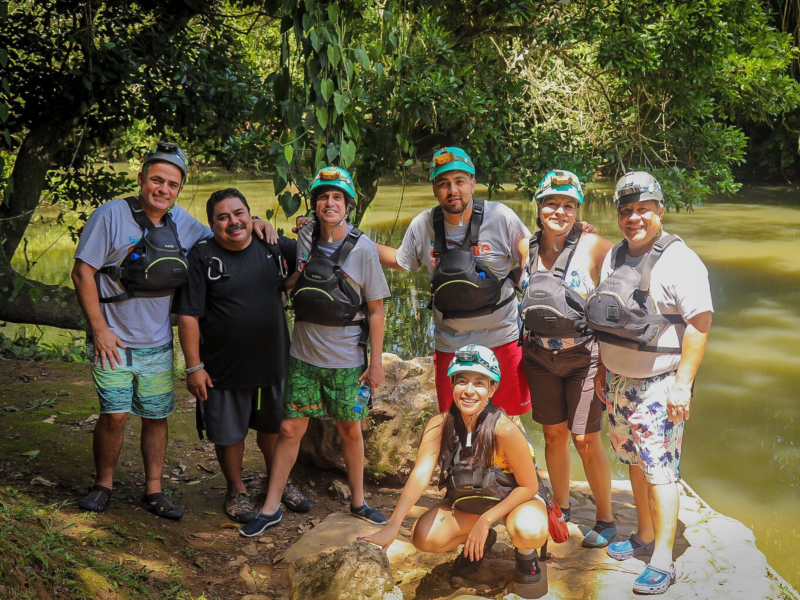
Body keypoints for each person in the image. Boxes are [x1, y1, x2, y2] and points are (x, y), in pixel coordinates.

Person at [71, 141, 276, 518]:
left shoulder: (184, 223)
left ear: (180, 189)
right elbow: (83, 272)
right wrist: (99, 329)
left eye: (172, 184)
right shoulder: (110, 216)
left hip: (158, 340)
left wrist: (258, 221)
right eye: (156, 180)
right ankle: (103, 484)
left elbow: (227, 232)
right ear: (141, 179)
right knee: (114, 414)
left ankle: (154, 490)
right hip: (113, 336)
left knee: (156, 414)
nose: (163, 189)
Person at [240, 166, 390, 537]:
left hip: (347, 361)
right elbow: (276, 243)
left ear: (349, 205)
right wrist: (258, 219)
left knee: (350, 431)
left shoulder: (364, 249)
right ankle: (271, 507)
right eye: (323, 196)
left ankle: (358, 501)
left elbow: (375, 310)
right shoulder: (305, 235)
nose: (329, 202)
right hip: (304, 355)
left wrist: (376, 364)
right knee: (290, 428)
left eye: (337, 197)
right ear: (315, 203)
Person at [589, 171, 713, 595]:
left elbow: (699, 324)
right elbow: (612, 317)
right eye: (626, 211)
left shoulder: (681, 259)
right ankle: (643, 533)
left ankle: (663, 557)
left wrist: (682, 385)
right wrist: (605, 367)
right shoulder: (614, 256)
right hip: (621, 380)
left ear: (660, 209)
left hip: (660, 383)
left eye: (643, 209)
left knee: (661, 471)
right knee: (634, 462)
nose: (634, 218)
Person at [174, 188, 312, 523]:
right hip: (223, 369)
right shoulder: (203, 257)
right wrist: (194, 367)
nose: (233, 222)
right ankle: (236, 490)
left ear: (250, 216)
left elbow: (318, 252)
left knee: (274, 428)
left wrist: (311, 226)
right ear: (212, 224)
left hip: (273, 363)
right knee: (229, 435)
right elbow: (188, 315)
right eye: (223, 217)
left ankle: (278, 482)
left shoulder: (273, 244)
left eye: (239, 214)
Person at [362, 345, 549, 585]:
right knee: (424, 537)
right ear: (451, 385)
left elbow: (528, 486)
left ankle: (526, 554)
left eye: (479, 383)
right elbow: (420, 474)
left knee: (528, 530)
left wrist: (486, 520)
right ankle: (479, 540)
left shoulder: (505, 431)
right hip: (470, 502)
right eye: (462, 381)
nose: (469, 391)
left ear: (493, 388)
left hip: (515, 503)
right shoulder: (439, 425)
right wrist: (393, 525)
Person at [376, 147, 532, 419]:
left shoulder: (500, 216)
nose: (453, 191)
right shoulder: (423, 224)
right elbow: (401, 261)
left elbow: (525, 245)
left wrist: (528, 266)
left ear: (472, 183)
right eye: (444, 184)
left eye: (460, 182)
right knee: (456, 419)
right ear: (435, 189)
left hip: (502, 336)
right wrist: (353, 240)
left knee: (508, 417)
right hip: (451, 341)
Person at [519, 170, 616, 548]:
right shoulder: (526, 247)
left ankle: (606, 518)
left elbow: (634, 264)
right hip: (539, 355)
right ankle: (561, 506)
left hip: (584, 356)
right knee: (553, 433)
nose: (560, 211)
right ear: (539, 206)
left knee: (586, 438)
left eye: (570, 205)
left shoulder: (593, 245)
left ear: (579, 209)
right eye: (553, 203)